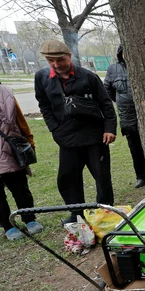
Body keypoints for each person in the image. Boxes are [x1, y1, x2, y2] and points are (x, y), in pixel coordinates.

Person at [34, 40, 116, 224]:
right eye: (50, 61)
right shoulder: (42, 77)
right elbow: (44, 105)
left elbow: (106, 104)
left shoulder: (88, 77)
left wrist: (109, 129)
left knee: (102, 175)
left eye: (60, 60)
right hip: (67, 138)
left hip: (94, 136)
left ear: (69, 56)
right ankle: (75, 212)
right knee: (68, 177)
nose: (56, 64)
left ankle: (105, 210)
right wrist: (55, 129)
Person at [0, 86, 43, 240]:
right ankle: (7, 226)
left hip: (10, 149)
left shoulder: (5, 92)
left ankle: (29, 219)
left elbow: (20, 120)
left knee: (20, 188)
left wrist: (29, 142)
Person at [104, 45, 145, 189]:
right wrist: (122, 101)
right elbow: (108, 91)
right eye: (125, 52)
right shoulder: (113, 69)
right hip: (127, 116)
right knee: (135, 148)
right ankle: (141, 176)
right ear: (120, 54)